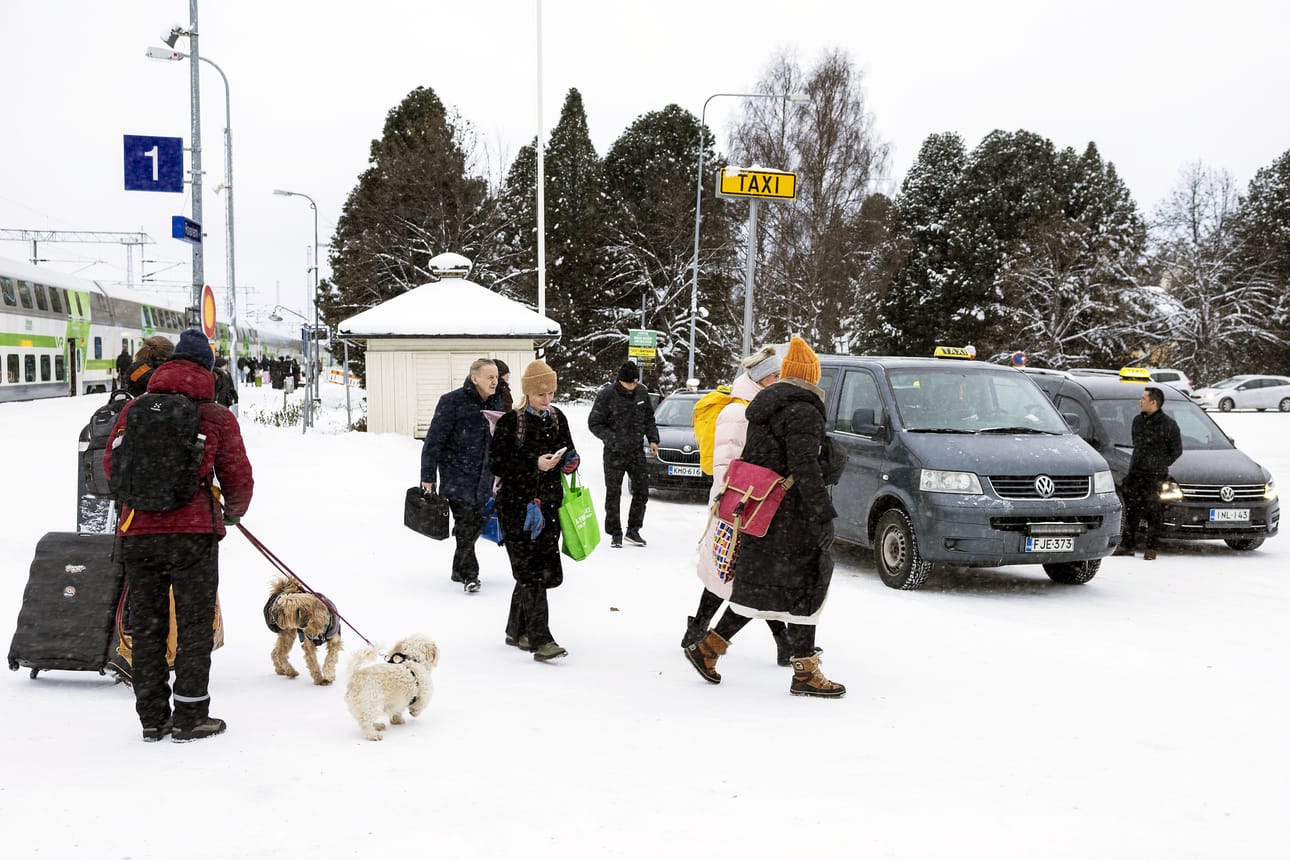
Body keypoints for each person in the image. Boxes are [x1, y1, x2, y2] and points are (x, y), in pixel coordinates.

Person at [102, 328, 254, 741]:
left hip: (139, 534)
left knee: (148, 626)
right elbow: (238, 476)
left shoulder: (133, 410)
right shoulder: (216, 416)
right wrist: (233, 513)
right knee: (193, 625)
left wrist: (144, 498)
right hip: (193, 535)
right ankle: (190, 716)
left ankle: (152, 718)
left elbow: (112, 467)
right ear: (207, 369)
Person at [684, 337, 846, 698]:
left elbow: (769, 458)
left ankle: (708, 648)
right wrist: (823, 515)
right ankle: (804, 672)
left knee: (762, 590)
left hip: (764, 512)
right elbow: (803, 466)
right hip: (792, 518)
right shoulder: (803, 410)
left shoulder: (763, 406)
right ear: (811, 376)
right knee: (805, 587)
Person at [684, 345, 792, 663]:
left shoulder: (760, 408)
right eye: (777, 376)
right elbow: (726, 464)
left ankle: (698, 630)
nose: (780, 382)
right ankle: (700, 632)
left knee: (744, 573)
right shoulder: (737, 411)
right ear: (763, 378)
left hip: (751, 502)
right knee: (735, 572)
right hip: (737, 504)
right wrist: (726, 504)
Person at [488, 359, 580, 662]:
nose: (548, 399)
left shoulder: (558, 418)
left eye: (551, 393)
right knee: (529, 574)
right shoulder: (510, 423)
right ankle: (541, 639)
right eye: (542, 394)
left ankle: (517, 630)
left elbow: (570, 448)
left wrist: (570, 462)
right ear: (528, 393)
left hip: (549, 505)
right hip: (515, 507)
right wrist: (533, 465)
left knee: (543, 573)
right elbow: (497, 464)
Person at [420, 358, 506, 592]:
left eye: (496, 377)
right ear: (474, 378)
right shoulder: (452, 402)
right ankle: (470, 574)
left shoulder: (497, 402)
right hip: (458, 476)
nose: (495, 381)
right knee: (466, 524)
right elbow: (433, 441)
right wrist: (428, 476)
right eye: (490, 377)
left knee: (472, 526)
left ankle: (458, 569)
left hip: (485, 479)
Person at [588, 361, 659, 548]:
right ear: (620, 381)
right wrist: (612, 439)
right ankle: (615, 532)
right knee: (613, 493)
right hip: (614, 453)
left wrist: (653, 439)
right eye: (629, 383)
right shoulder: (606, 395)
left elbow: (649, 418)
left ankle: (633, 530)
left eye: (635, 382)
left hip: (636, 451)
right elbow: (594, 423)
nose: (632, 386)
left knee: (642, 491)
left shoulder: (642, 392)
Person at [1114, 385, 1182, 561]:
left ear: (1153, 402)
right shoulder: (1138, 421)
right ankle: (1127, 545)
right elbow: (1137, 444)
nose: (1140, 401)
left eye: (1144, 399)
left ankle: (1151, 548)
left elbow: (1176, 450)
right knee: (1131, 510)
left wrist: (1159, 464)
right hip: (1136, 473)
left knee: (1154, 511)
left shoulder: (1168, 425)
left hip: (1155, 476)